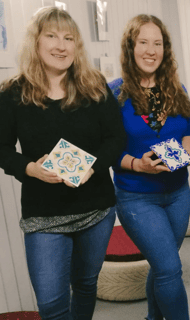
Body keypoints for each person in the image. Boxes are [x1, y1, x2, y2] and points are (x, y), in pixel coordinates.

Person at [0, 7, 125, 320]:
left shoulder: (95, 86)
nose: (61, 45)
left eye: (69, 38)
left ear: (77, 45)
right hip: (43, 215)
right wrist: (29, 168)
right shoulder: (12, 94)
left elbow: (115, 139)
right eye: (52, 36)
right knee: (52, 305)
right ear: (36, 43)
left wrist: (92, 168)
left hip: (96, 209)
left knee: (84, 285)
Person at [108, 14, 190, 320]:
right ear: (131, 48)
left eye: (157, 43)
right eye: (143, 42)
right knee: (171, 269)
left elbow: (189, 132)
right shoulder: (114, 93)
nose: (150, 50)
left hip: (178, 193)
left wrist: (184, 153)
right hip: (136, 197)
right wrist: (136, 164)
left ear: (165, 49)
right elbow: (104, 149)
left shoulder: (176, 87)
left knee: (163, 264)